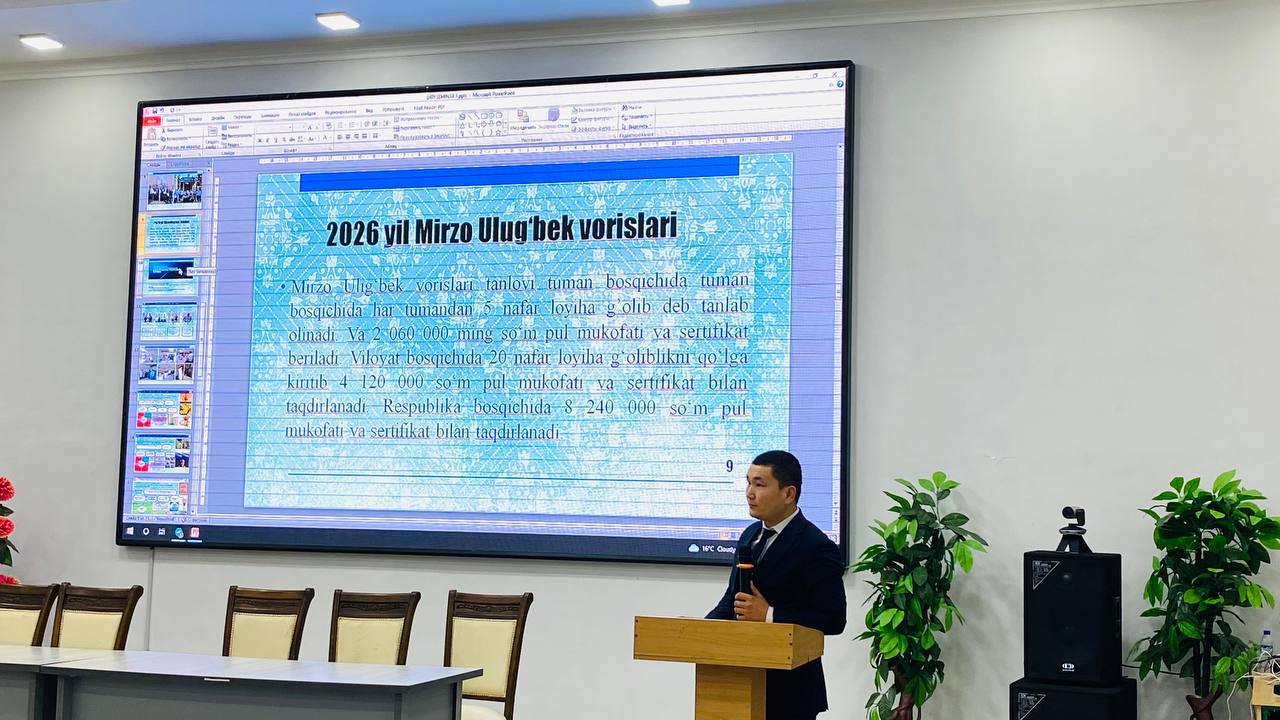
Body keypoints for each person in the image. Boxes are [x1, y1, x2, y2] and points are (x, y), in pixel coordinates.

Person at [707, 450, 847, 720]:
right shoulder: (749, 536)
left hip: (790, 691)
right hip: (739, 682)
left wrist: (769, 615)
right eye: (748, 483)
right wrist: (701, 630)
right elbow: (733, 599)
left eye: (759, 484)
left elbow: (833, 619)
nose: (749, 493)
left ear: (788, 493)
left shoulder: (816, 546)